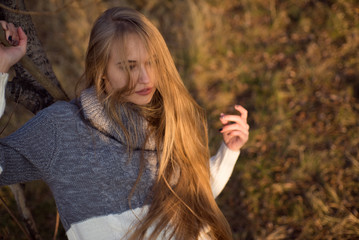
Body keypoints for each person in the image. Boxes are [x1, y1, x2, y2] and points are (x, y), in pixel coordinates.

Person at [0, 7, 249, 240]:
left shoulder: (168, 119)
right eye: (129, 66)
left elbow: (192, 201)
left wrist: (228, 153)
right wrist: (2, 70)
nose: (145, 77)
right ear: (102, 71)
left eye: (151, 62)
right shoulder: (61, 131)